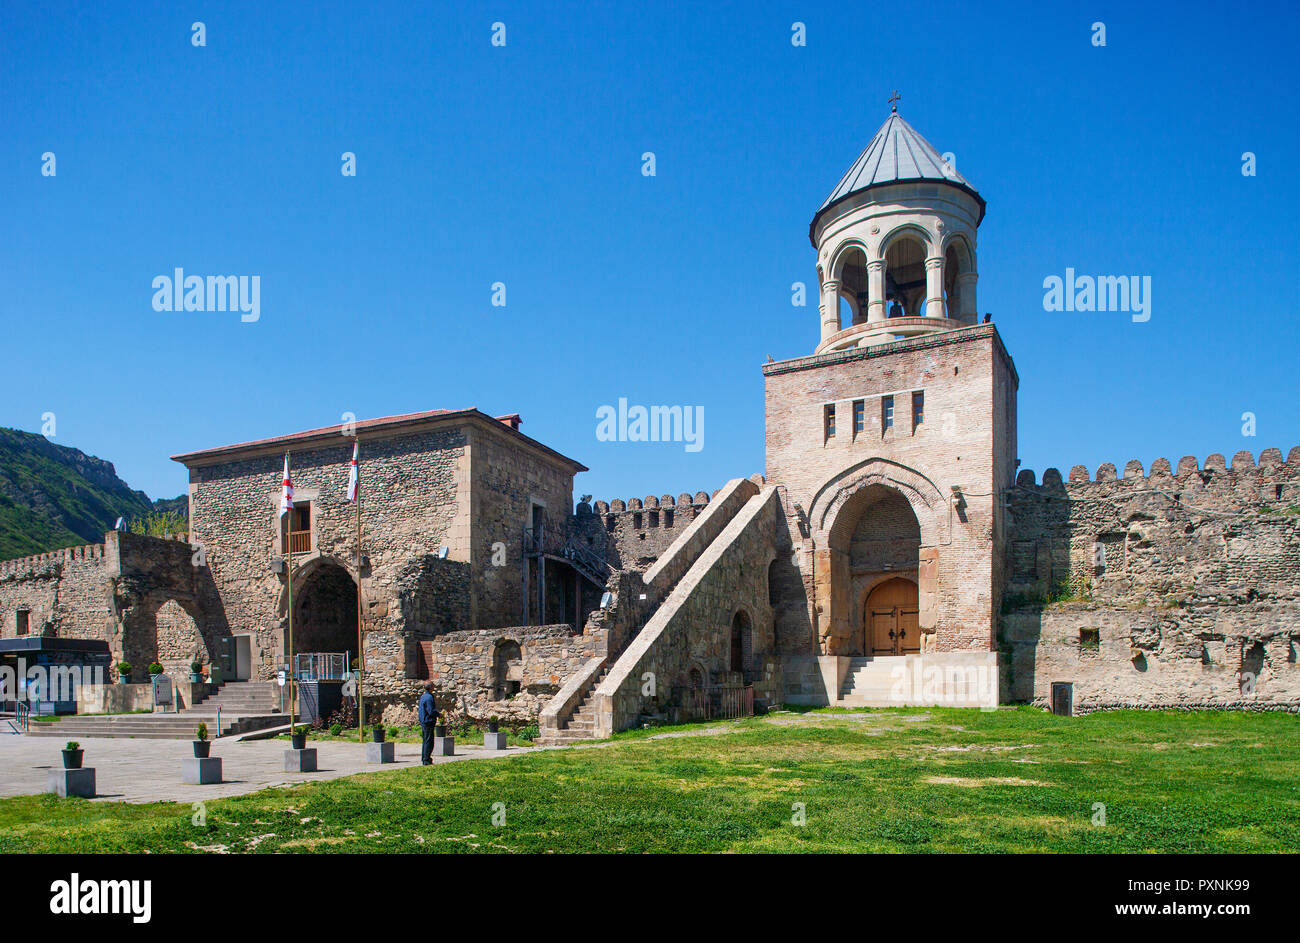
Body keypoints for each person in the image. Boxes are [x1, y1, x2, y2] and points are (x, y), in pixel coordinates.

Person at [418, 683, 439, 765]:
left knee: (425, 740)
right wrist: (438, 714)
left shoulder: (423, 696)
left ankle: (424, 757)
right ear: (430, 688)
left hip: (423, 721)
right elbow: (431, 711)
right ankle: (426, 759)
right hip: (428, 721)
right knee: (429, 741)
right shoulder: (429, 697)